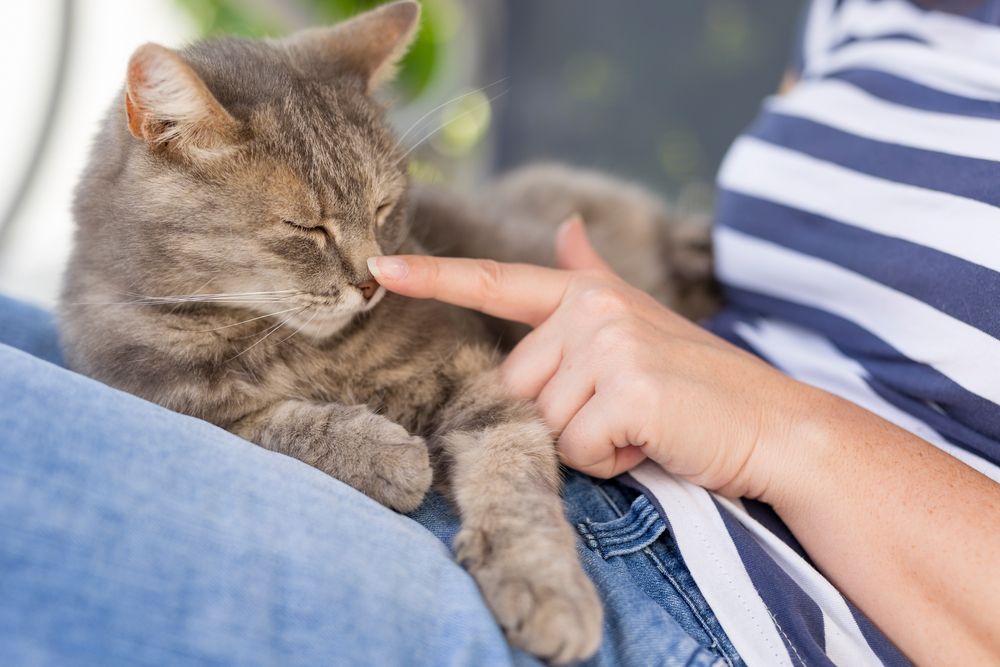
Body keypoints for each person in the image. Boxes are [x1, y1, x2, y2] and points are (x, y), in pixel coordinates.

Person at [2, 0, 998, 665]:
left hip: (715, 588)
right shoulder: (872, 11)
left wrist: (777, 429)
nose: (362, 280)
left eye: (379, 222)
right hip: (606, 393)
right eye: (315, 238)